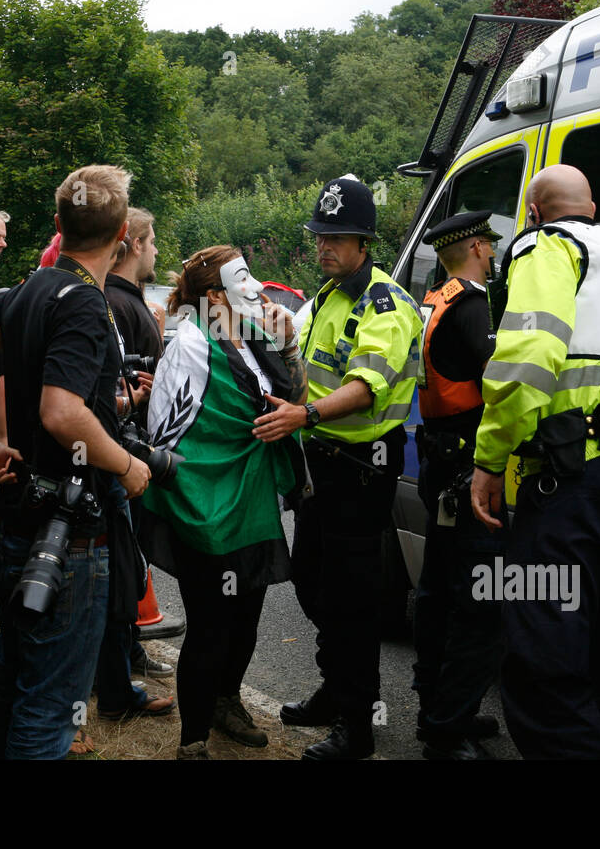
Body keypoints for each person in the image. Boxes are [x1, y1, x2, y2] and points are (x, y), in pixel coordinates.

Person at [0, 164, 152, 760]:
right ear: (124, 232)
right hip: (68, 532)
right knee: (49, 708)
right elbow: (61, 412)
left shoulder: (33, 287)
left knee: (11, 685)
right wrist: (128, 468)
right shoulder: (81, 301)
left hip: (19, 520)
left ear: (58, 224)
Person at [470, 164, 600, 759]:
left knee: (541, 671)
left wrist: (489, 457)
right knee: (587, 658)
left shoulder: (548, 245)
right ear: (595, 207)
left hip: (567, 479)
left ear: (532, 214)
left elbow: (528, 355)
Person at [251, 174, 422, 760]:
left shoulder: (386, 303)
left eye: (337, 238)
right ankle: (336, 685)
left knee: (351, 598)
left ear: (364, 242)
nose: (325, 246)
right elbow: (303, 363)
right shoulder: (326, 294)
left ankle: (357, 727)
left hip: (359, 467)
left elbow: (366, 387)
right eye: (321, 236)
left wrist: (305, 414)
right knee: (312, 580)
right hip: (319, 463)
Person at [142, 245, 305, 758]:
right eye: (242, 278)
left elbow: (294, 401)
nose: (255, 287)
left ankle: (225, 702)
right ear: (215, 296)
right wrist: (192, 497)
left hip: (253, 505)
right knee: (211, 627)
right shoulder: (190, 344)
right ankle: (192, 740)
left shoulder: (255, 336)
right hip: (208, 509)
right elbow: (164, 434)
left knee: (246, 619)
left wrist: (289, 345)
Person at [411, 210, 507, 760]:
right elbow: (498, 378)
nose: (493, 256)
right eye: (489, 248)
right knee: (479, 596)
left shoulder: (435, 299)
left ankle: (437, 707)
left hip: (438, 458)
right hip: (467, 467)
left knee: (440, 588)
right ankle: (448, 727)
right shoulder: (472, 305)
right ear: (475, 246)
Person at [104, 206, 174, 681]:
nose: (156, 252)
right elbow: (116, 381)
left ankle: (127, 650)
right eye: (152, 243)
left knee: (131, 559)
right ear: (133, 244)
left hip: (132, 446)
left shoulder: (130, 300)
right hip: (121, 450)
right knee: (121, 561)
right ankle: (116, 664)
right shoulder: (115, 302)